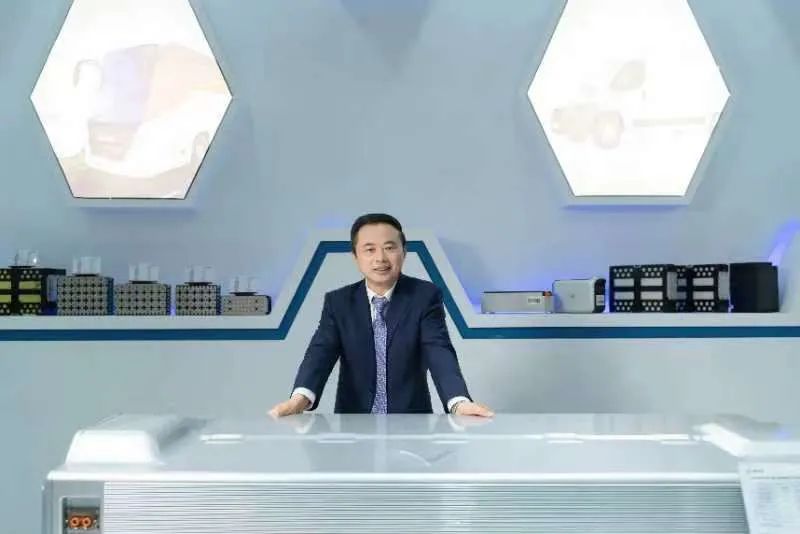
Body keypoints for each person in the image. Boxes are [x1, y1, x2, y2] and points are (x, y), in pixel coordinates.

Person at [269, 213, 493, 417]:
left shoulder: (424, 297)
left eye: (389, 247)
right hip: (354, 423)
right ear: (355, 256)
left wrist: (458, 402)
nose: (380, 258)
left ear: (403, 252)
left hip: (410, 423)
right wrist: (299, 399)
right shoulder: (338, 302)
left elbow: (439, 350)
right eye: (370, 249)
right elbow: (320, 353)